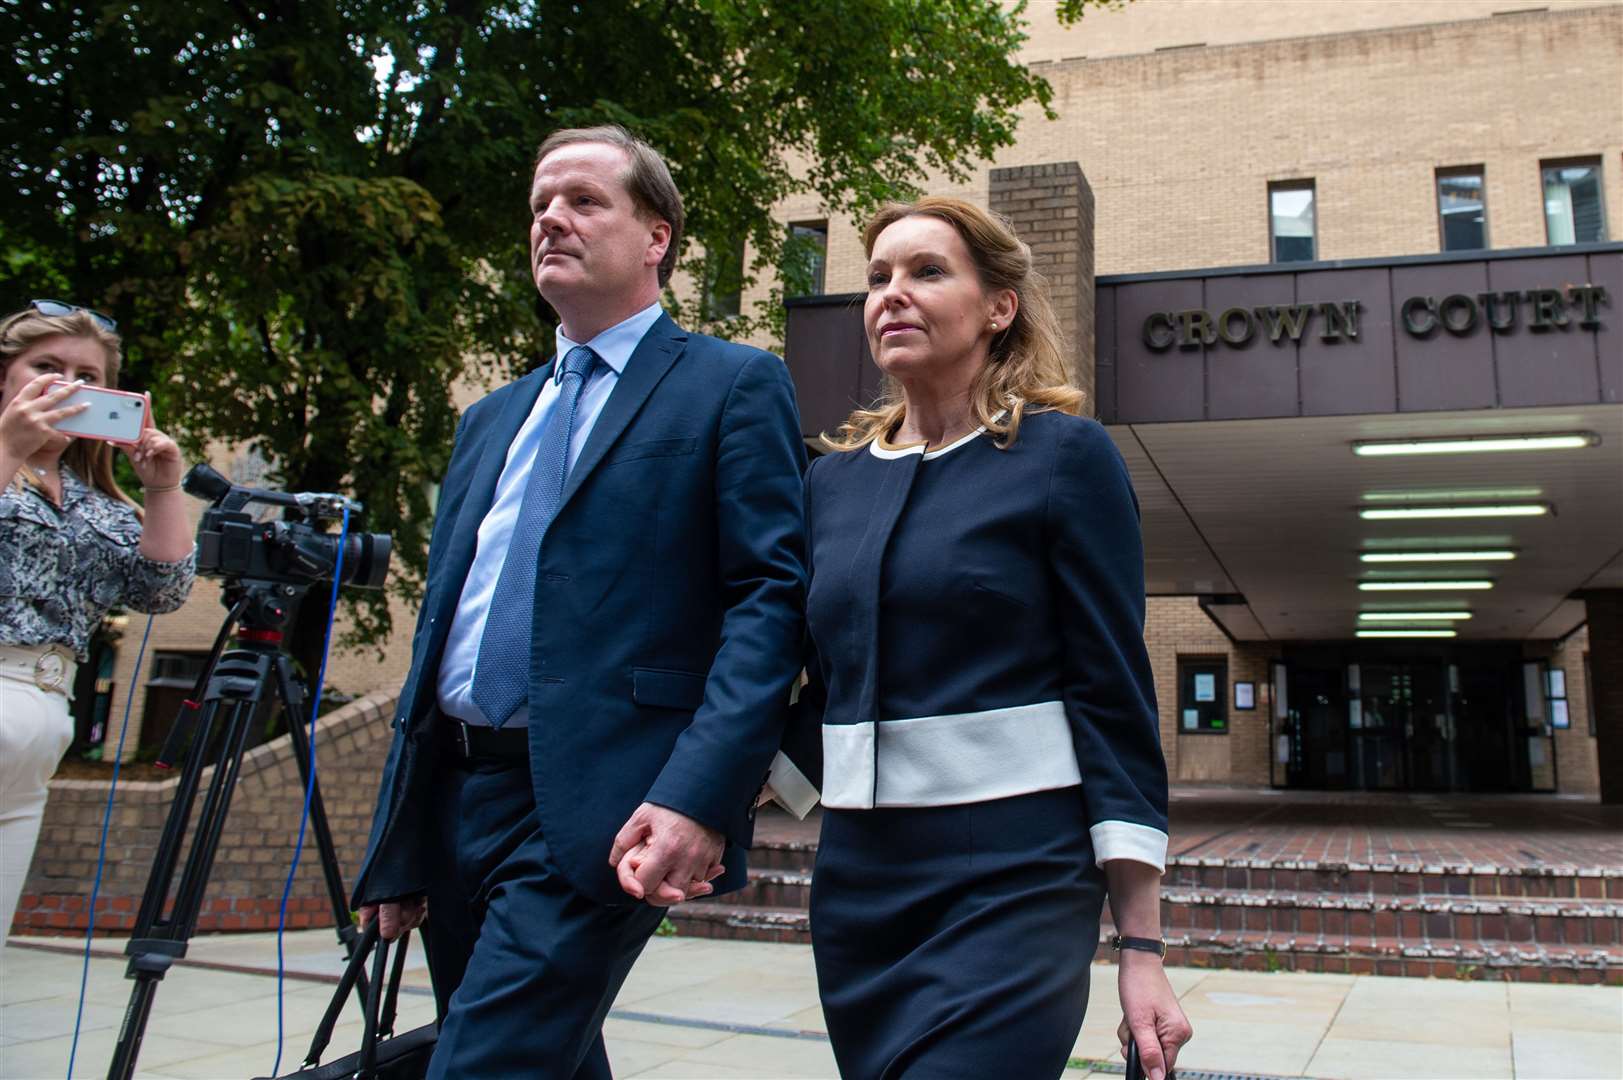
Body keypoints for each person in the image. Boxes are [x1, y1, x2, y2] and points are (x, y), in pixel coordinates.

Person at [350, 125, 808, 1079]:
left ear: (657, 237)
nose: (550, 219)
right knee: (544, 1056)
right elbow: (442, 628)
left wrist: (700, 795)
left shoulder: (731, 384)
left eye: (584, 201)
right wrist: (401, 840)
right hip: (457, 804)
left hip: (607, 805)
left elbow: (768, 600)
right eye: (539, 206)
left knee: (484, 1063)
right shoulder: (490, 420)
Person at [773, 197, 1193, 1080]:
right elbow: (817, 688)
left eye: (926, 272)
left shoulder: (1062, 458)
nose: (893, 293)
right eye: (878, 277)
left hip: (1014, 880)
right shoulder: (830, 484)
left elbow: (1111, 697)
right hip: (860, 887)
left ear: (997, 306)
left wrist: (1142, 946)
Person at [0, 301, 194, 939]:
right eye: (46, 367)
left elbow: (160, 592)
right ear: (7, 375)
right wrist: (10, 444)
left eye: (87, 376)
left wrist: (163, 490)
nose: (66, 385)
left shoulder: (92, 502)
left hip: (38, 740)